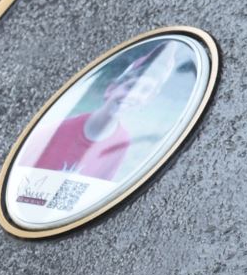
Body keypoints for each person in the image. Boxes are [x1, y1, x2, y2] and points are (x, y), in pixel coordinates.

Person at [25, 42, 187, 182]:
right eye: (130, 87)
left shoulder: (122, 144)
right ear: (111, 89)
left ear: (146, 101)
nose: (132, 96)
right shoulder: (56, 129)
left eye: (144, 92)